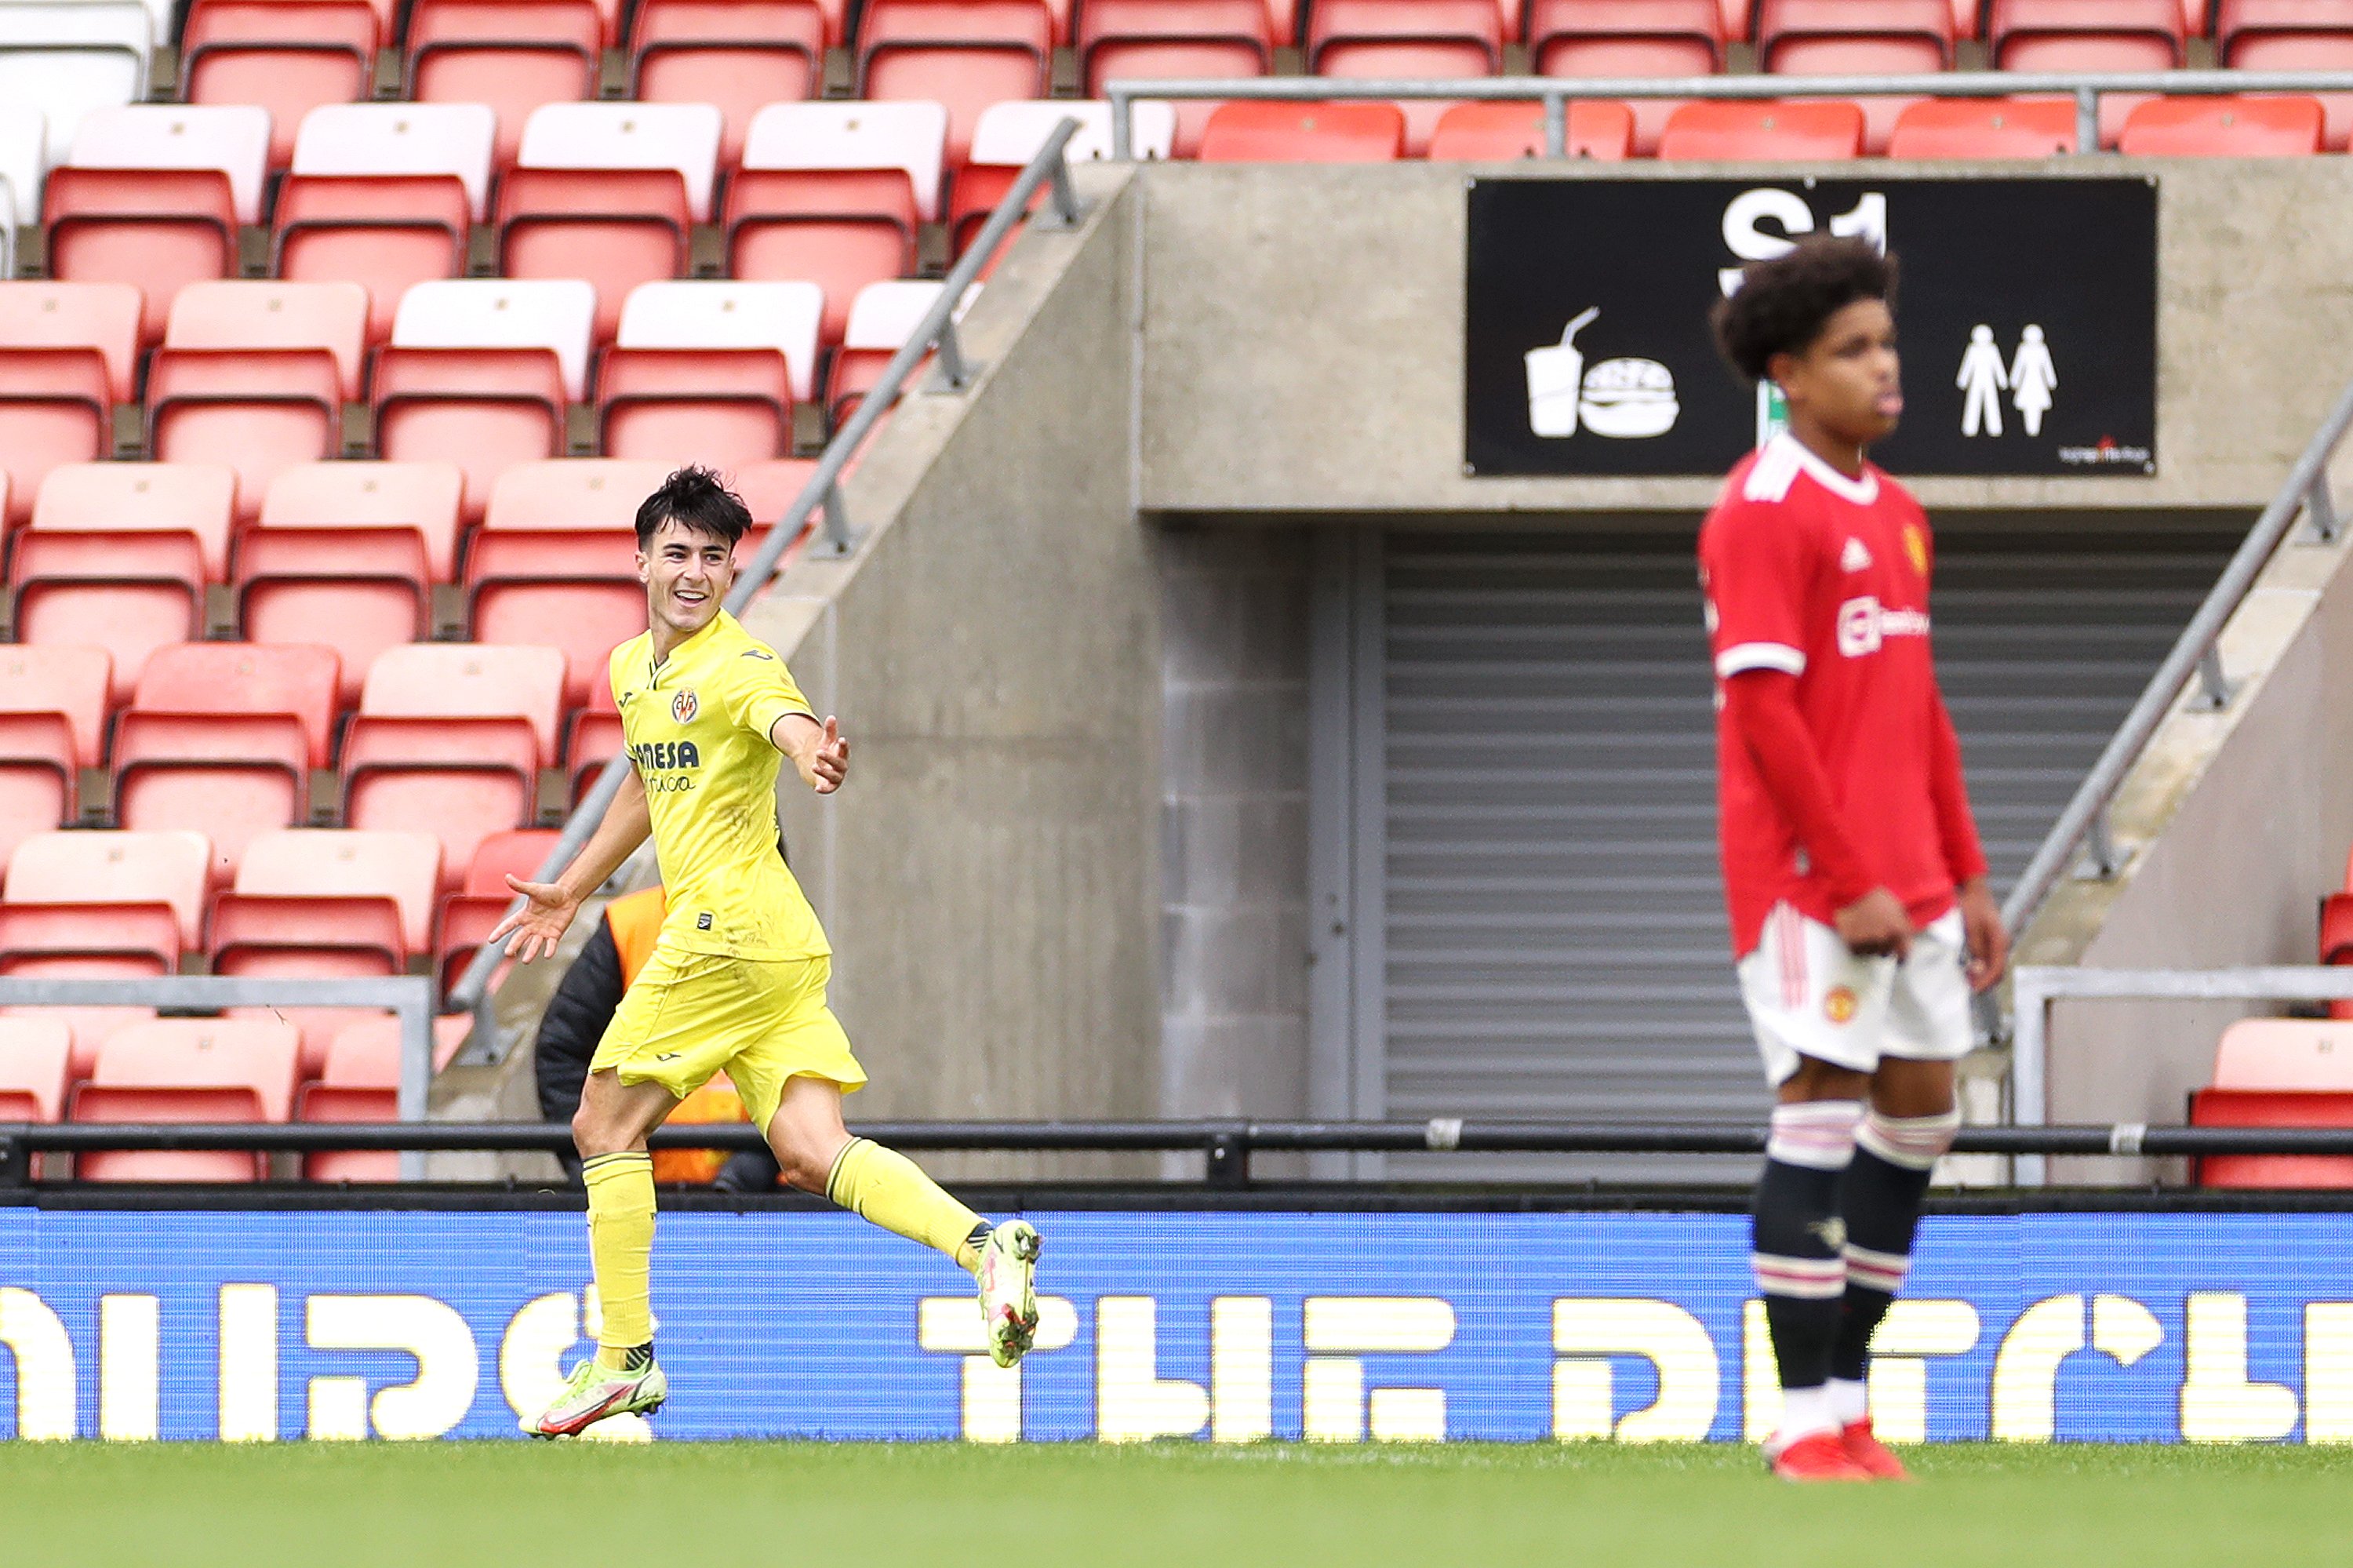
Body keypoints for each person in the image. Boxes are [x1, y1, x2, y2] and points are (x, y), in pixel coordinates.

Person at [492, 465, 1041, 1438]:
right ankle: (985, 1246)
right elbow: (645, 780)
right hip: (781, 946)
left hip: (723, 937)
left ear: (733, 570)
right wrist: (575, 885)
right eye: (679, 553)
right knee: (807, 1148)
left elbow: (783, 721)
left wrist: (810, 752)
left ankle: (623, 1360)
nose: (696, 572)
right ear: (642, 561)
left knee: (602, 1126)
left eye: (714, 557)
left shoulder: (740, 666)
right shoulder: (635, 671)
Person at [1701, 238, 2009, 1482]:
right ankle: (1802, 1419)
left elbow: (1917, 700)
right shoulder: (1759, 512)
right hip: (1809, 885)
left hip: (1915, 882)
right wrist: (1846, 880)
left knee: (1923, 1119)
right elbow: (1766, 720)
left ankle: (1848, 1398)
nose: (1885, 368)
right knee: (1819, 1111)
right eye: (1853, 351)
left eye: (1887, 342)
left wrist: (1970, 872)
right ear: (1788, 372)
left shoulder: (1899, 512)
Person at [533, 882, 783, 1192]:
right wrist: (599, 1166)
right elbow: (562, 1051)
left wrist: (753, 1168)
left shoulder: (787, 929)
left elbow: (803, 1066)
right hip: (636, 1200)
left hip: (764, 1209)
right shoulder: (629, 926)